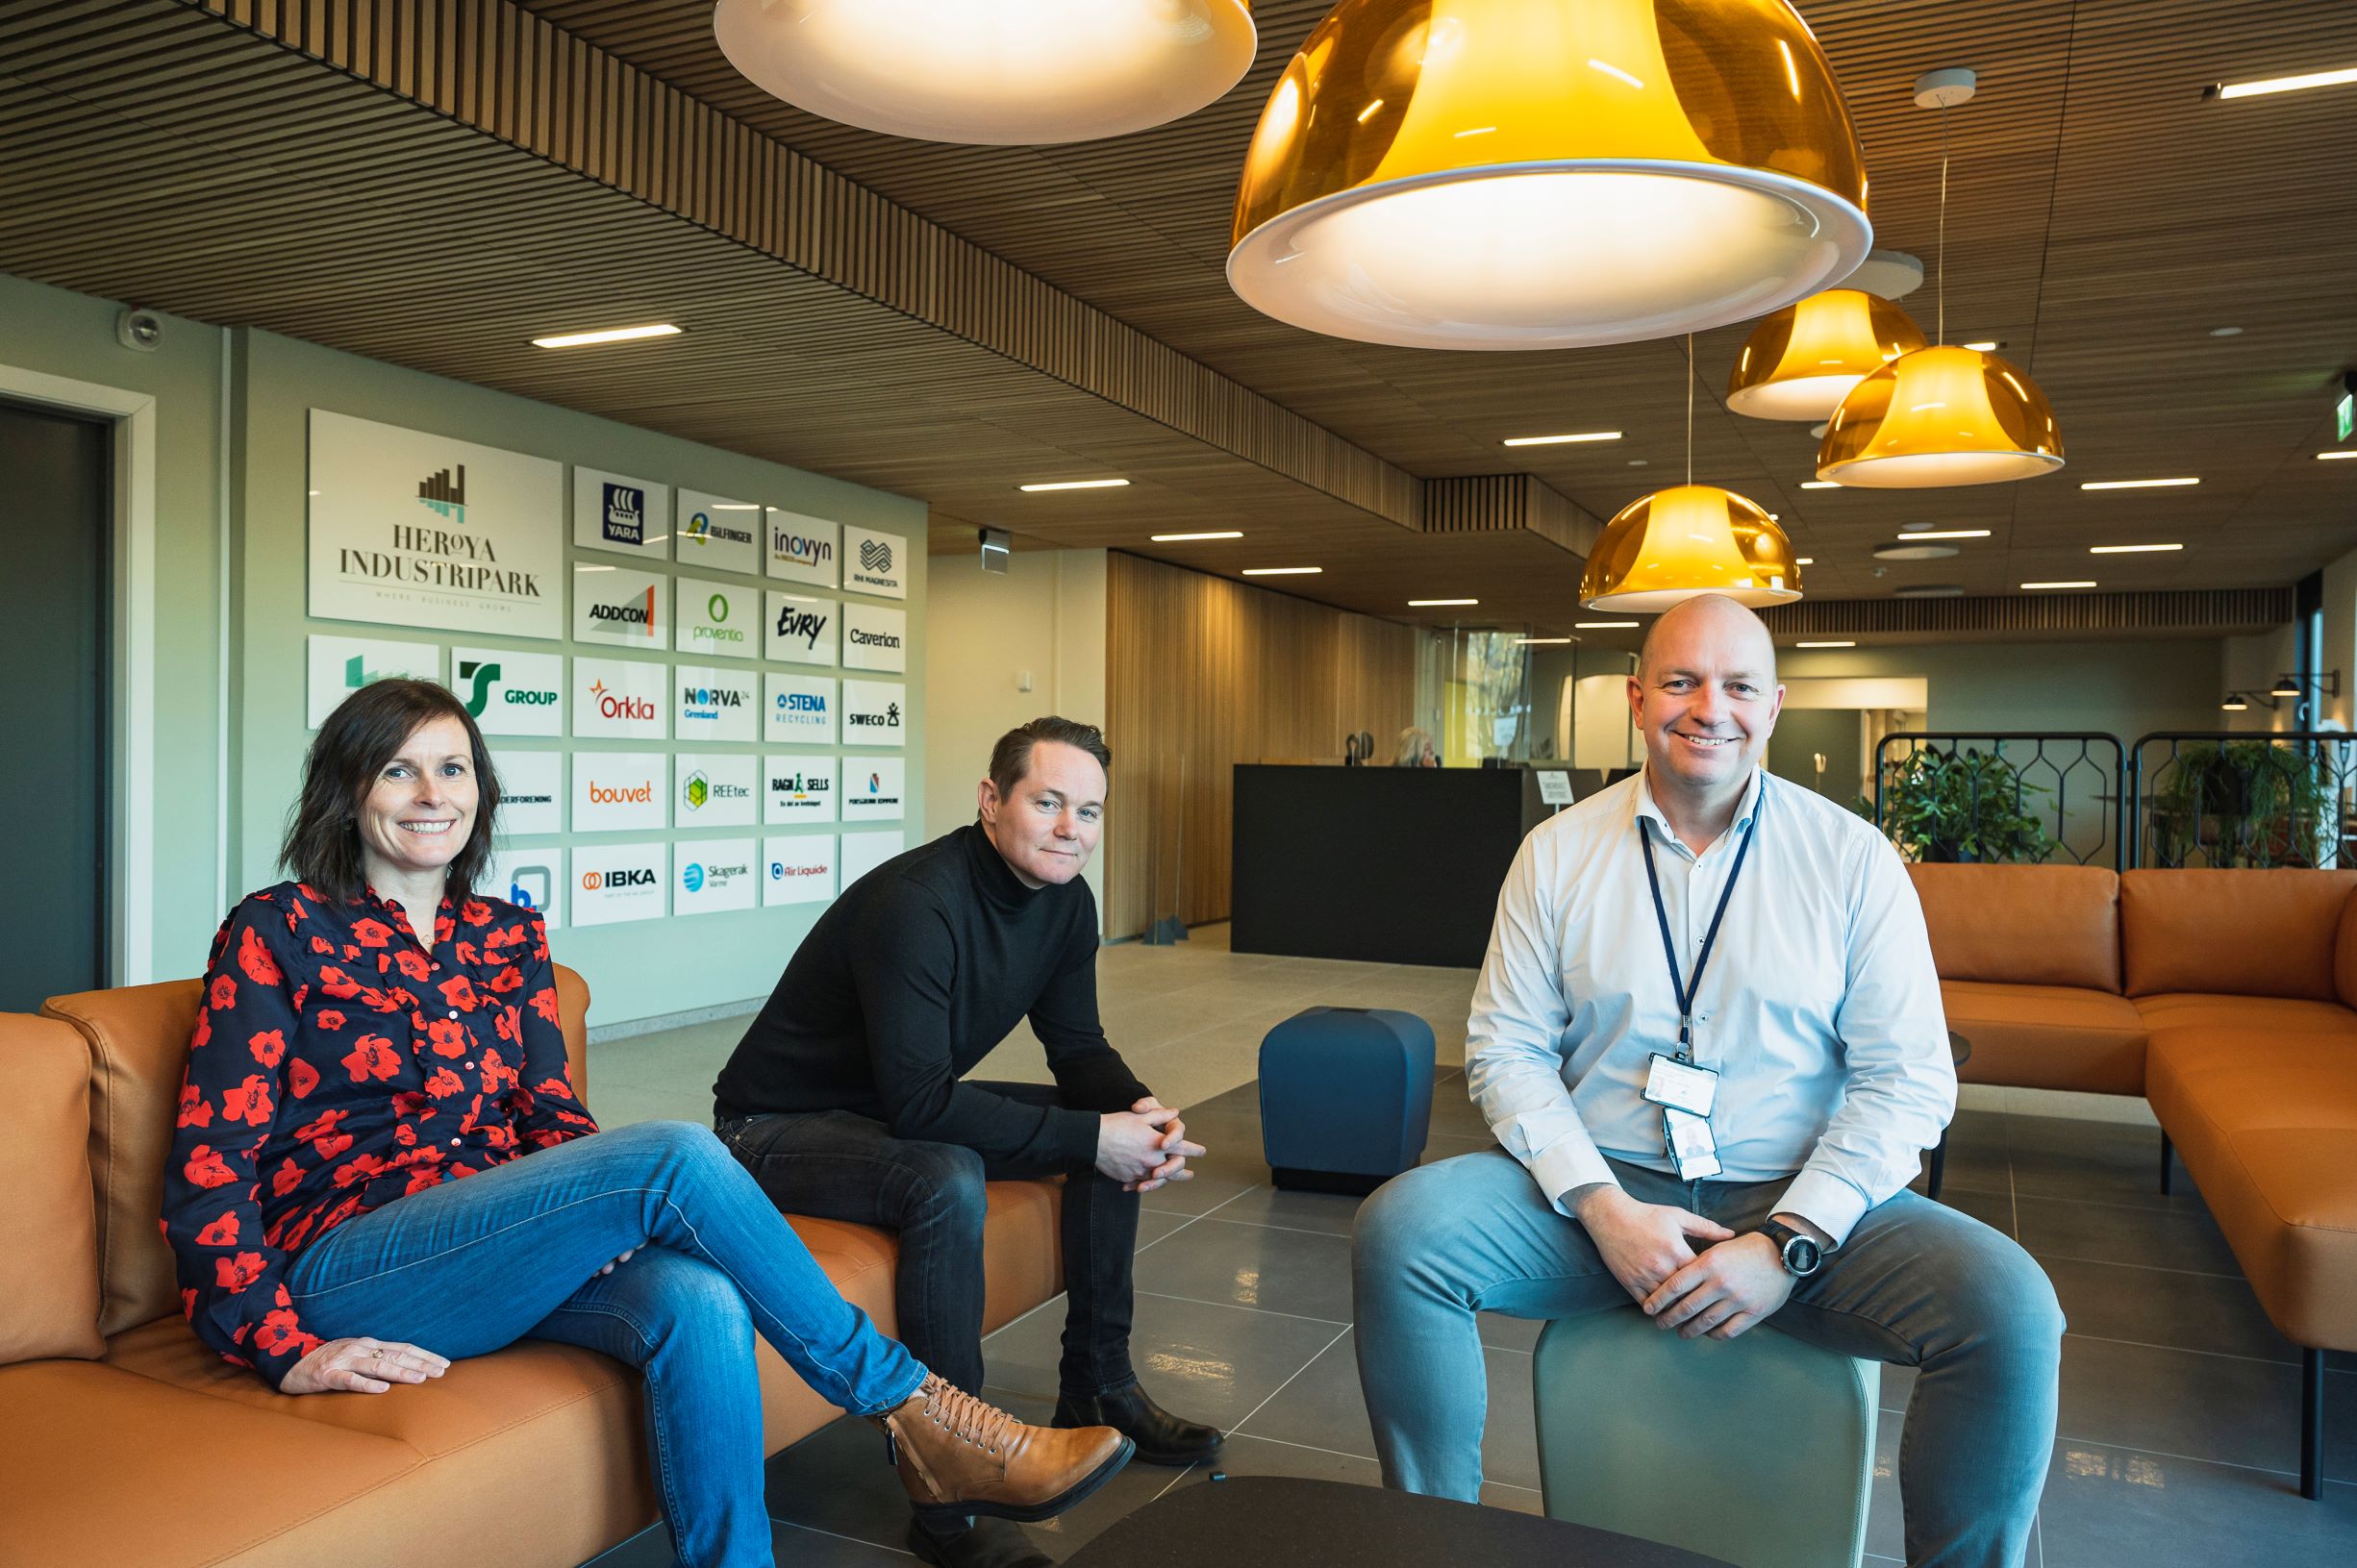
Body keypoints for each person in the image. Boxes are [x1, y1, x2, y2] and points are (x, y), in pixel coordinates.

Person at [161, 681, 1130, 1568]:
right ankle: (920, 1412)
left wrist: (600, 1224)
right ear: (349, 789)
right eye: (398, 768)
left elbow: (550, 1119)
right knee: (668, 1152)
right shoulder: (278, 929)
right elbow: (211, 1161)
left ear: (480, 790)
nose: (430, 793)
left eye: (452, 767)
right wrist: (281, 1343)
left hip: (494, 1244)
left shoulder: (505, 936)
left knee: (698, 1297)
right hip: (350, 1261)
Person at [1351, 596, 2063, 1568]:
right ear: (1640, 698)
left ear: (1773, 706)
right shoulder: (1556, 854)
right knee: (1403, 1234)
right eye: (1681, 680)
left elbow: (1907, 1082)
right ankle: (1432, 1545)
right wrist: (1602, 1206)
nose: (1707, 707)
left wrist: (1789, 1243)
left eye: (1736, 684)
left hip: (1798, 1195)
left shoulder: (1851, 859)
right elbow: (1506, 1049)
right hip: (1598, 1192)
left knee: (2012, 1308)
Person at [715, 716, 1220, 1568]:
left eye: (1089, 811)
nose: (1071, 828)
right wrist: (1095, 1131)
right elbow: (919, 1105)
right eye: (1048, 801)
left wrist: (1141, 1112)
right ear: (992, 800)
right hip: (773, 1128)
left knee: (1099, 1133)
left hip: (881, 1108)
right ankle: (953, 1477)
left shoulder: (1065, 899)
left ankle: (1097, 1382)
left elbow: (1078, 1047)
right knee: (946, 1173)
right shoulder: (919, 903)